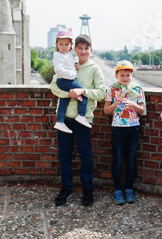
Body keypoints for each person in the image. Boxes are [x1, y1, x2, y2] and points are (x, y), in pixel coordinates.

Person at [50, 34, 106, 207]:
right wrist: (68, 94)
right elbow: (53, 86)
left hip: (84, 118)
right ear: (75, 49)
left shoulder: (95, 68)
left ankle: (87, 188)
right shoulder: (66, 61)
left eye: (86, 48)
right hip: (65, 117)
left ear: (91, 50)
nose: (82, 51)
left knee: (85, 155)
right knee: (64, 155)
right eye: (79, 48)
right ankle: (66, 188)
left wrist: (82, 92)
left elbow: (102, 93)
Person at [104, 60, 146, 205]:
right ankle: (117, 190)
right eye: (122, 75)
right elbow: (105, 110)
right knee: (117, 160)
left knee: (131, 160)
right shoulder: (112, 89)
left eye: (128, 75)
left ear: (131, 75)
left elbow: (142, 110)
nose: (125, 78)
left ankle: (129, 189)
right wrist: (115, 104)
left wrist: (133, 104)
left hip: (133, 127)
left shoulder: (137, 90)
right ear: (116, 75)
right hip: (117, 128)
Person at [52, 27, 91, 134]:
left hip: (65, 81)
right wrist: (73, 73)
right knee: (83, 93)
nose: (63, 47)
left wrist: (74, 66)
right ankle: (81, 115)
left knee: (64, 100)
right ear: (56, 44)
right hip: (66, 81)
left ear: (70, 45)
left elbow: (67, 65)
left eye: (66, 44)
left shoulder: (66, 55)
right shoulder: (58, 56)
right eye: (61, 44)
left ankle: (59, 121)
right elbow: (59, 70)